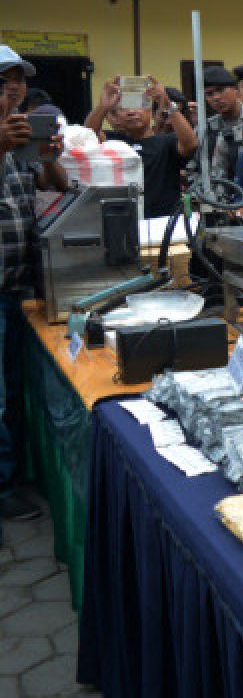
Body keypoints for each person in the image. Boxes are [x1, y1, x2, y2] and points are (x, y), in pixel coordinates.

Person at [0, 48, 68, 533]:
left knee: (13, 389)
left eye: (17, 80)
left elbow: (54, 186)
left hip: (16, 284)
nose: (13, 89)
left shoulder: (19, 133)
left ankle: (15, 477)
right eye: (3, 81)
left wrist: (49, 158)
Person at [85, 75, 198, 218]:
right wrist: (103, 106)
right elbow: (87, 138)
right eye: (123, 108)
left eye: (138, 106)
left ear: (150, 111)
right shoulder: (112, 141)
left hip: (163, 223)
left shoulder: (167, 142)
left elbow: (191, 144)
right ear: (116, 116)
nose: (131, 112)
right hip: (122, 221)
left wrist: (168, 104)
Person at [199, 66, 243, 181]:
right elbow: (193, 167)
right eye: (209, 94)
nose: (216, 97)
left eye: (220, 90)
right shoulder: (205, 128)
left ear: (236, 90)